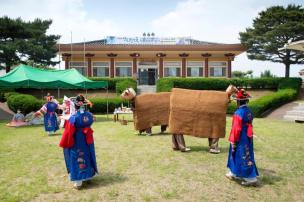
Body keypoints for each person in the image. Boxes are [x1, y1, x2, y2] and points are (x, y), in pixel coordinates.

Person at [59, 94, 98, 189]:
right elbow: (90, 122)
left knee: (76, 156)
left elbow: (69, 131)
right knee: (87, 155)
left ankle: (78, 182)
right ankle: (88, 176)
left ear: (75, 105)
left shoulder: (73, 118)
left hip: (77, 139)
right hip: (87, 139)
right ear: (84, 104)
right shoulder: (89, 115)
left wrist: (66, 142)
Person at [226, 89, 259, 186]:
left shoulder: (238, 113)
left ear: (238, 101)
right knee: (246, 154)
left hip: (240, 138)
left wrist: (234, 140)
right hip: (248, 136)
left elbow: (236, 128)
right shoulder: (249, 111)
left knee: (241, 155)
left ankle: (251, 179)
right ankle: (234, 173)